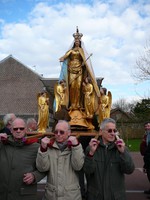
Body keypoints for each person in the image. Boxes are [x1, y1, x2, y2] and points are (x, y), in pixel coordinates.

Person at [83, 118, 135, 200]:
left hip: (116, 197)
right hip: (96, 196)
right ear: (101, 131)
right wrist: (91, 154)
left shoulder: (121, 149)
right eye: (109, 131)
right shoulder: (91, 148)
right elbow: (88, 171)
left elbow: (129, 170)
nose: (113, 133)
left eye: (114, 131)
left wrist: (123, 153)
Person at [36, 120, 85, 200]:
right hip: (51, 196)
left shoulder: (75, 147)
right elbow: (42, 168)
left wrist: (76, 146)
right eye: (56, 132)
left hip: (71, 196)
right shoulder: (48, 146)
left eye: (61, 132)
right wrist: (43, 150)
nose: (58, 134)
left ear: (69, 132)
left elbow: (78, 166)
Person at [0, 117, 46, 200]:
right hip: (4, 194)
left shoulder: (35, 147)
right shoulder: (3, 145)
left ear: (26, 129)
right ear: (10, 130)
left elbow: (44, 168)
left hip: (25, 195)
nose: (18, 131)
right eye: (15, 129)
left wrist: (34, 176)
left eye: (21, 128)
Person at [59, 27, 100, 111]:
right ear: (74, 42)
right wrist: (62, 58)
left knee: (78, 87)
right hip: (71, 69)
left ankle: (77, 104)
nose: (77, 43)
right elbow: (65, 56)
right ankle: (72, 104)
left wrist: (84, 63)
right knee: (72, 87)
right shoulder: (71, 50)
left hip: (79, 71)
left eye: (78, 41)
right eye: (76, 41)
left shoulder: (81, 50)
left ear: (80, 42)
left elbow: (86, 61)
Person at [140, 121, 150, 195]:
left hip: (149, 155)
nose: (147, 127)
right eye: (145, 126)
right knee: (149, 174)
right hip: (147, 156)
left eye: (148, 126)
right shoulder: (146, 135)